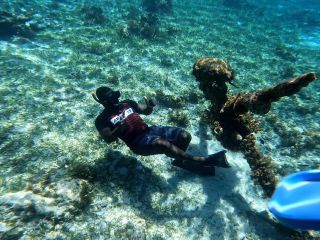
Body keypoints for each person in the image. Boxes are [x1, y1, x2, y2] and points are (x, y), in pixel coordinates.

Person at [92, 86, 230, 176]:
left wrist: (150, 106)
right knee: (163, 144)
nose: (116, 99)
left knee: (185, 136)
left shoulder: (127, 103)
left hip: (150, 131)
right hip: (137, 142)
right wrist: (118, 129)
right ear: (104, 101)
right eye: (111, 98)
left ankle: (180, 161)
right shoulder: (102, 119)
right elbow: (108, 138)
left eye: (115, 95)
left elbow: (145, 111)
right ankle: (203, 160)